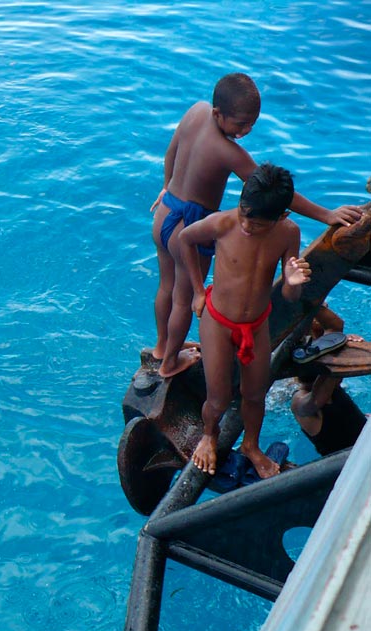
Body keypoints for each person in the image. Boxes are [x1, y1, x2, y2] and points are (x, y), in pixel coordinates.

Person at [150, 72, 362, 378]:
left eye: (252, 123)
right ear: (217, 114)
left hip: (166, 211)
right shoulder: (229, 152)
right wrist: (325, 215)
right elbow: (278, 195)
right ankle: (170, 362)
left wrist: (167, 185)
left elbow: (171, 152)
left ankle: (161, 347)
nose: (246, 130)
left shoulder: (194, 111)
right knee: (183, 298)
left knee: (166, 287)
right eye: (240, 124)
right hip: (190, 222)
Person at [179, 163, 311, 479]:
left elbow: (291, 299)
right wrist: (198, 292)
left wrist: (292, 283)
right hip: (218, 321)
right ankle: (209, 435)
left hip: (256, 324)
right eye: (244, 215)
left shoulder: (288, 233)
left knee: (255, 393)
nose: (247, 226)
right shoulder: (223, 224)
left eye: (257, 224)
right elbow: (185, 239)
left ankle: (251, 446)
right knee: (219, 397)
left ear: (282, 216)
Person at [291, 306, 367, 455]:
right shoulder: (299, 402)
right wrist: (341, 351)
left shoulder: (332, 385)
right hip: (346, 467)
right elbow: (317, 399)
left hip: (365, 444)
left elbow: (336, 326)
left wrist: (344, 344)